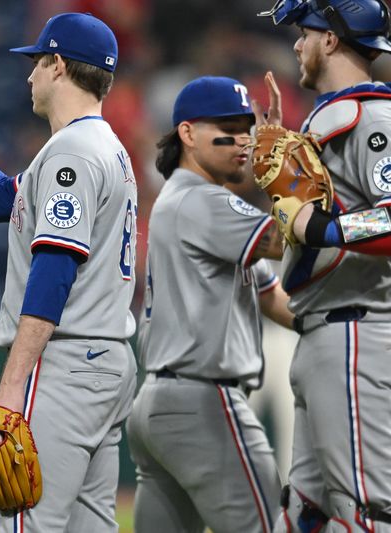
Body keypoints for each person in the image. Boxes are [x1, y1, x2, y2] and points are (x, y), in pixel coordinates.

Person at [0, 12, 139, 532]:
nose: (29, 75)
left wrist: (10, 392)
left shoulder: (73, 153)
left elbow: (54, 272)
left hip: (66, 363)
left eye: (38, 62)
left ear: (59, 65)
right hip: (108, 361)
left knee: (27, 526)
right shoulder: (103, 148)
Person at [125, 76, 295, 533]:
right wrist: (285, 169)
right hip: (204, 399)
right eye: (226, 127)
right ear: (187, 134)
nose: (243, 140)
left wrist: (343, 322)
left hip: (159, 404)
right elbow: (291, 238)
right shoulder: (202, 200)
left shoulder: (191, 204)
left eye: (247, 128)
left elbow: (272, 297)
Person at [257, 0, 391, 530]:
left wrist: (323, 228)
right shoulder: (336, 116)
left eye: (304, 32)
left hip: (357, 332)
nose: (296, 44)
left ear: (331, 40)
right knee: (305, 512)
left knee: (369, 509)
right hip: (326, 332)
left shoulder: (373, 118)